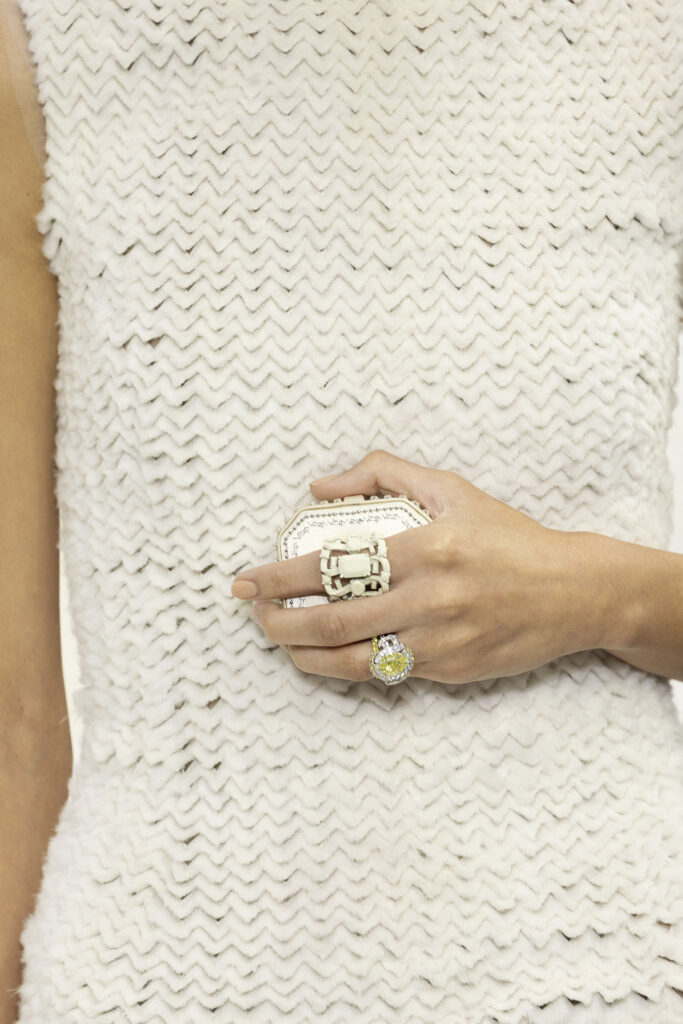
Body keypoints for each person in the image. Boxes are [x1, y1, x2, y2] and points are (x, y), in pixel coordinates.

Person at [2, 0, 683, 1021]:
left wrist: (594, 596)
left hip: (596, 962)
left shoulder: (648, 38)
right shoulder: (50, 43)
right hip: (157, 970)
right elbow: (15, 714)